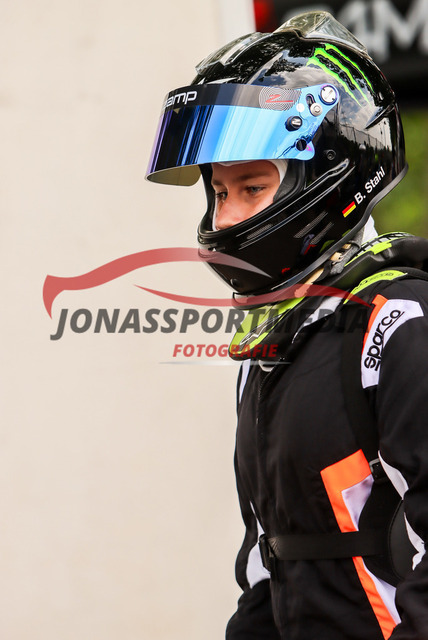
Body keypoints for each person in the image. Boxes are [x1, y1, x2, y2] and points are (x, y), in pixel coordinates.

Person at [146, 11, 428, 639]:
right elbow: (269, 569)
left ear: (328, 176)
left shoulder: (397, 324)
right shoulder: (270, 349)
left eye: (251, 187)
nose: (226, 217)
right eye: (220, 192)